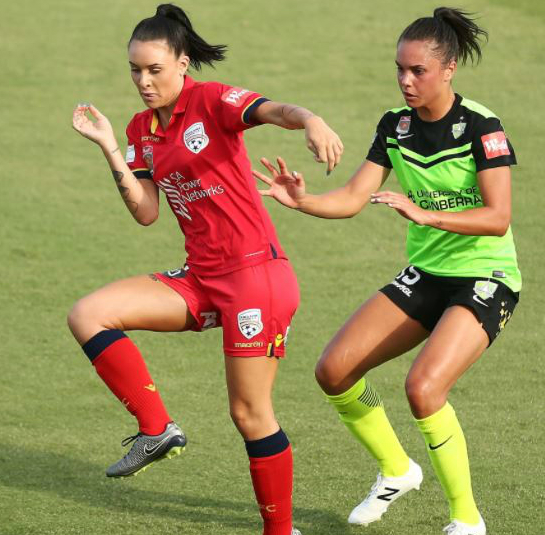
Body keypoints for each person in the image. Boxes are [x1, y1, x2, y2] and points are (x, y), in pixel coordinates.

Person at [68, 4, 343, 534]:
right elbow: (146, 212)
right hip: (201, 277)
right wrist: (109, 147)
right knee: (88, 315)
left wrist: (311, 119)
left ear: (182, 63)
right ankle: (156, 429)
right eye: (134, 70)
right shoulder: (140, 128)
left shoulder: (212, 100)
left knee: (249, 414)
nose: (143, 82)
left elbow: (274, 110)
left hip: (256, 280)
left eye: (154, 70)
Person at [254, 7, 519, 535]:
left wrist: (426, 214)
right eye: (400, 68)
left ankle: (467, 520)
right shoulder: (395, 126)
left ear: (449, 69)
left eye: (418, 70)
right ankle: (397, 469)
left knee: (423, 388)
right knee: (334, 370)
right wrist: (304, 201)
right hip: (428, 272)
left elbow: (498, 218)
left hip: (486, 275)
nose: (405, 80)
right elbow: (354, 197)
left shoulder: (481, 126)